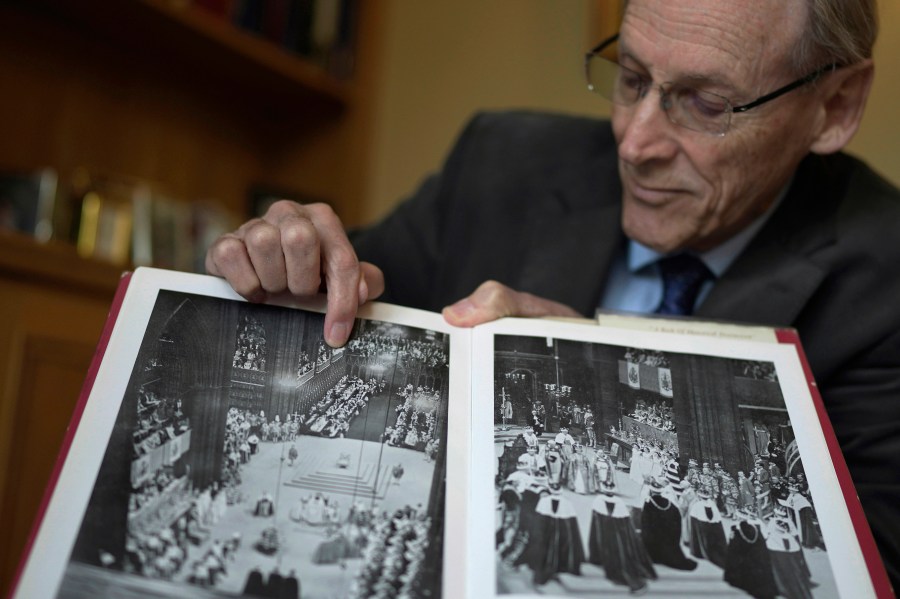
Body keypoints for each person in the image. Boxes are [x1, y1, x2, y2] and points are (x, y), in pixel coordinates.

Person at [206, 0, 899, 587]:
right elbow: (347, 283)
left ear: (834, 106)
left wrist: (593, 361)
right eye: (630, 78)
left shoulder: (885, 277)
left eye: (706, 104)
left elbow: (871, 565)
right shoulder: (500, 159)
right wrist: (288, 258)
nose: (634, 141)